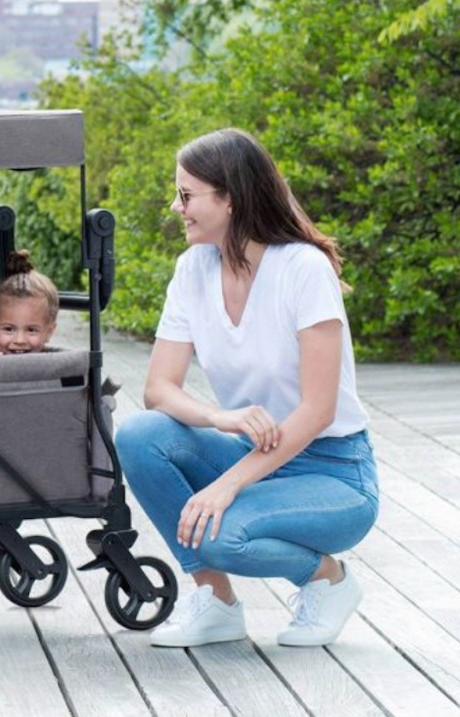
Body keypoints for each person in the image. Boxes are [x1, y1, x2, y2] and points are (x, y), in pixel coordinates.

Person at [114, 128, 378, 648]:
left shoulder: (303, 268)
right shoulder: (192, 268)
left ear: (229, 198)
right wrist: (221, 417)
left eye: (187, 195)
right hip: (252, 448)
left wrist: (227, 483)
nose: (176, 206)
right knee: (141, 435)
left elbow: (319, 410)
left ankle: (328, 580)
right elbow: (158, 390)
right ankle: (215, 604)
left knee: (221, 532)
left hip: (334, 472)